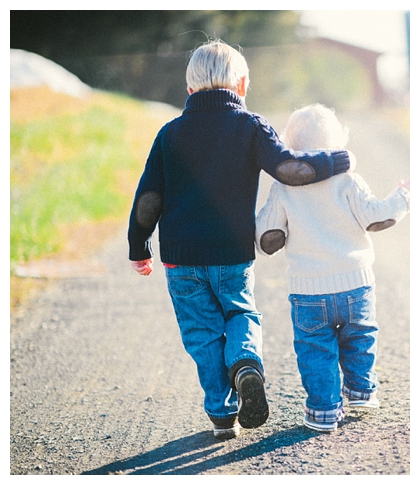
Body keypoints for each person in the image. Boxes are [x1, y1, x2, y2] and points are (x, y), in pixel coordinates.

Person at [127, 40, 356, 440]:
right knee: (239, 314)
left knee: (202, 333)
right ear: (243, 84)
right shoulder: (250, 126)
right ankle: (246, 364)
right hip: (232, 253)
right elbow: (289, 169)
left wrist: (138, 245)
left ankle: (221, 414)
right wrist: (335, 159)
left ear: (189, 89)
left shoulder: (169, 134)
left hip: (181, 259)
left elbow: (150, 197)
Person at [255, 104, 410, 432]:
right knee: (360, 336)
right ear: (337, 146)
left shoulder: (284, 187)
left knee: (315, 349)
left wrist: (261, 231)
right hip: (355, 284)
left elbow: (267, 235)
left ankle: (323, 410)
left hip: (308, 291)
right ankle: (361, 390)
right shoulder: (349, 180)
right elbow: (376, 216)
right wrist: (404, 196)